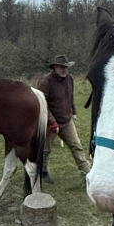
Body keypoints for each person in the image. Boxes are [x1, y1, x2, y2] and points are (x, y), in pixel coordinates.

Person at [37, 55, 91, 183]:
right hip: (49, 122)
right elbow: (42, 104)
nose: (65, 70)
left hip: (66, 121)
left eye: (66, 67)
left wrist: (73, 112)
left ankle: (87, 172)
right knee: (45, 150)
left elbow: (70, 98)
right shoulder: (45, 82)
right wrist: (52, 122)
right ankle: (42, 172)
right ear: (54, 67)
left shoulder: (70, 80)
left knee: (76, 146)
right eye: (62, 67)